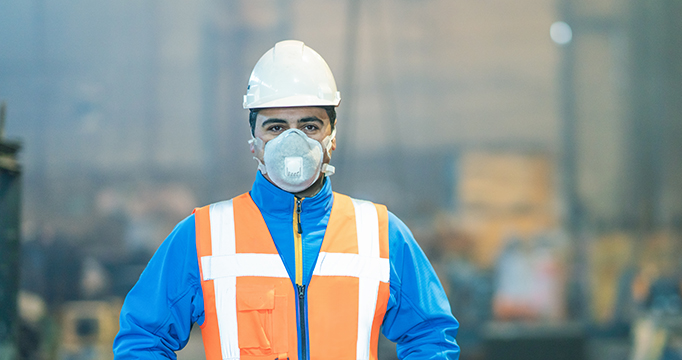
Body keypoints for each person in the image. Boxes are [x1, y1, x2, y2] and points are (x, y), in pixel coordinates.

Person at [113, 40, 460, 360]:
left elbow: (430, 335)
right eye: (276, 127)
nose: (292, 142)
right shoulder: (203, 237)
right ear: (254, 140)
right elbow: (142, 338)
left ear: (332, 137)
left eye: (309, 127)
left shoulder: (381, 235)